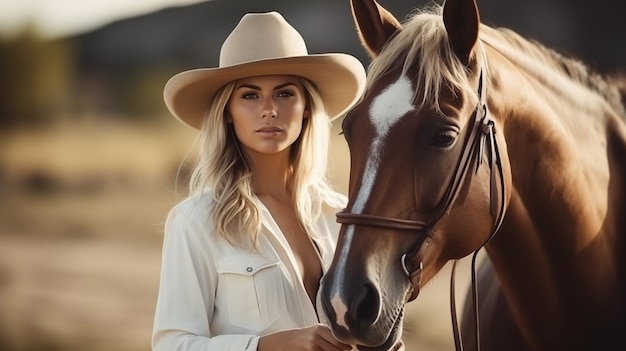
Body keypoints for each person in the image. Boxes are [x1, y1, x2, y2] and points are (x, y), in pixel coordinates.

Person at [152, 11, 366, 351]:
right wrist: (264, 346)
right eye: (250, 96)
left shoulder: (342, 216)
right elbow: (172, 344)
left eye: (284, 94)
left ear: (307, 106)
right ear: (227, 112)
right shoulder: (196, 222)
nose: (269, 110)